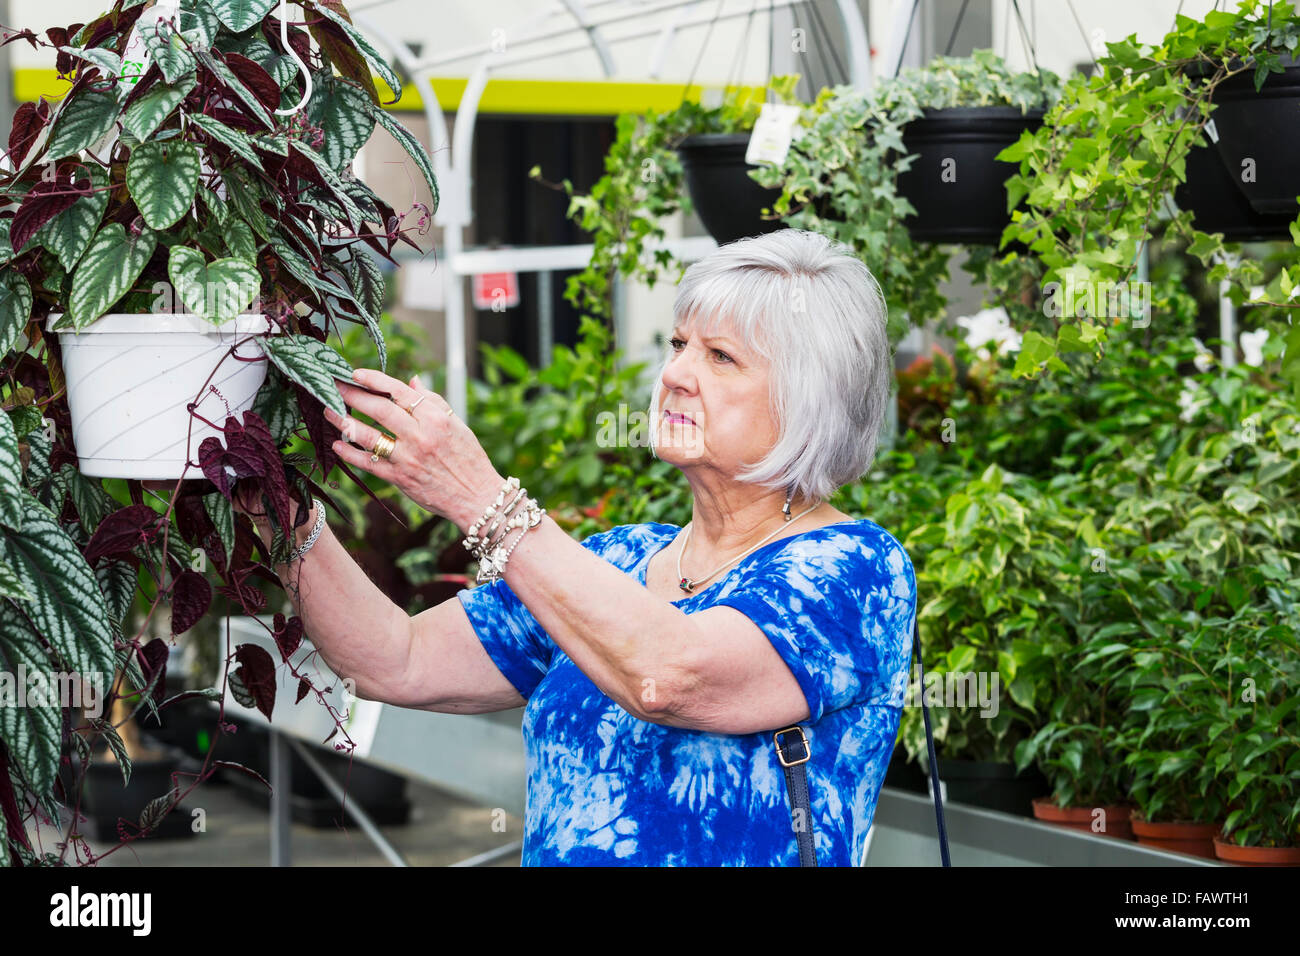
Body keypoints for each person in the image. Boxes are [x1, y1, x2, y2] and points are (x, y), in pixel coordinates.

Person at [236, 228, 917, 866]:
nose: (677, 374)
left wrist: (481, 499)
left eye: (720, 357)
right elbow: (395, 661)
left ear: (809, 399)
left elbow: (671, 678)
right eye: (679, 344)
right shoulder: (617, 560)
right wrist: (280, 511)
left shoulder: (854, 568)